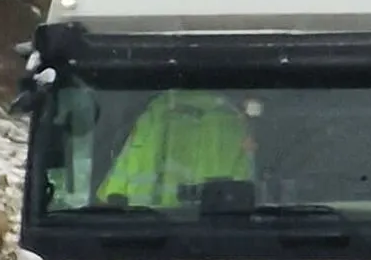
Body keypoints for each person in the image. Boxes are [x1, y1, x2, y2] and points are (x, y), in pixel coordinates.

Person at [97, 88, 256, 207]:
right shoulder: (233, 123)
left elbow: (115, 190)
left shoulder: (152, 114)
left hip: (145, 236)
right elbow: (245, 193)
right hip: (213, 238)